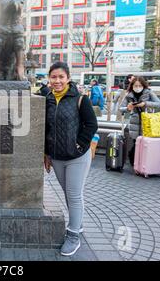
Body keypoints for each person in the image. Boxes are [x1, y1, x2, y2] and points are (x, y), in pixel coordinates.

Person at [44, 62, 98, 257]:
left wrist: (80, 146)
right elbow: (46, 129)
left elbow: (91, 125)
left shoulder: (80, 99)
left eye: (61, 77)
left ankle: (73, 234)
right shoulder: (47, 99)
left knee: (74, 195)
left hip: (77, 157)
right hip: (57, 157)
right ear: (49, 79)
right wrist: (46, 152)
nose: (57, 81)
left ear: (67, 78)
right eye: (54, 77)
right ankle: (78, 224)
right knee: (68, 193)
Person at [120, 76, 160, 165]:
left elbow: (158, 103)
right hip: (135, 123)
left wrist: (145, 104)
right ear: (132, 86)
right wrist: (128, 108)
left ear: (143, 85)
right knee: (136, 143)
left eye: (139, 85)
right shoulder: (129, 95)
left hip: (147, 122)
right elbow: (121, 108)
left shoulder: (149, 93)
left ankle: (141, 163)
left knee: (145, 143)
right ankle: (134, 162)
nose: (137, 88)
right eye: (135, 85)